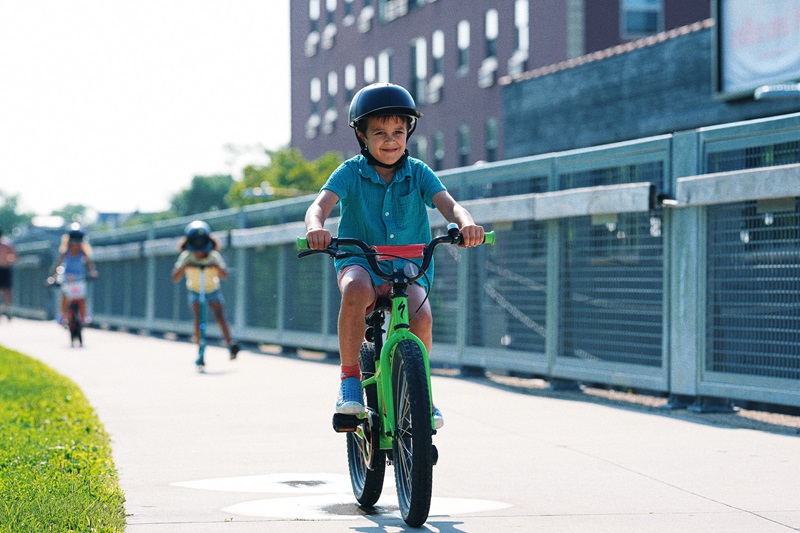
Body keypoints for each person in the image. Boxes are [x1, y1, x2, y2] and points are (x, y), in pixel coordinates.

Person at [304, 83, 485, 426]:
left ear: (409, 133)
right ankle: (350, 381)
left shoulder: (418, 172)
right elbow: (319, 206)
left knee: (422, 316)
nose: (391, 140)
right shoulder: (350, 172)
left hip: (408, 265)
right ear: (362, 135)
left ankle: (422, 395)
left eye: (398, 132)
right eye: (380, 133)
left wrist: (467, 224)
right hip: (361, 262)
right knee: (356, 289)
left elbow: (450, 206)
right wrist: (316, 228)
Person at [172, 220, 240, 360]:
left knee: (219, 315)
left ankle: (230, 343)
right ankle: (199, 348)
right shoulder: (187, 257)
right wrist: (185, 267)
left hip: (212, 289)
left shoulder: (213, 256)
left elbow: (224, 275)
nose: (198, 253)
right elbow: (176, 277)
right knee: (197, 318)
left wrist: (215, 267)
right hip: (195, 290)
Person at [50, 223, 98, 325]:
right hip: (67, 276)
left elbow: (89, 263)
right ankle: (61, 315)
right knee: (65, 296)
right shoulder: (65, 252)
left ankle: (84, 317)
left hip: (79, 277)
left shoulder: (82, 252)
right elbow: (57, 264)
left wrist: (93, 272)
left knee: (81, 298)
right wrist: (52, 277)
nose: (75, 243)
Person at [0, 227, 20, 320]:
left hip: (5, 268)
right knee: (7, 291)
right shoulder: (6, 244)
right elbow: (16, 257)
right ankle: (5, 309)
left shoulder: (6, 244)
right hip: (5, 268)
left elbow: (16, 257)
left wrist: (8, 260)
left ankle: (8, 310)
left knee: (7, 291)